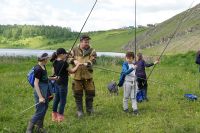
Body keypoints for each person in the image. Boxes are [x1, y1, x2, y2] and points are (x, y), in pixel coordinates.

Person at [50, 48, 81, 122]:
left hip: (57, 83)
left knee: (56, 99)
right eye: (65, 54)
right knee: (62, 101)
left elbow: (54, 73)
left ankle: (54, 116)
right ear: (61, 54)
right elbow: (72, 71)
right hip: (63, 84)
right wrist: (78, 65)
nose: (66, 55)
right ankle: (60, 117)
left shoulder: (54, 62)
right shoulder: (64, 63)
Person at [69, 34, 97, 118]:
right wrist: (73, 61)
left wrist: (88, 63)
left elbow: (94, 59)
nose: (87, 43)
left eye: (88, 42)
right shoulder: (73, 49)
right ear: (80, 42)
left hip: (88, 76)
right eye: (85, 42)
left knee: (90, 93)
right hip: (76, 76)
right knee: (77, 94)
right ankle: (80, 111)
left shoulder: (92, 50)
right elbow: (67, 58)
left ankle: (90, 110)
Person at [26, 53, 51, 133]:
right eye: (47, 58)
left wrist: (53, 78)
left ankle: (39, 128)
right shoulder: (38, 69)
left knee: (44, 108)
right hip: (40, 91)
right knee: (40, 110)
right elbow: (36, 83)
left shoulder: (43, 66)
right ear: (44, 59)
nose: (48, 59)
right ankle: (29, 129)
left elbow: (44, 78)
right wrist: (40, 97)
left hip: (46, 90)